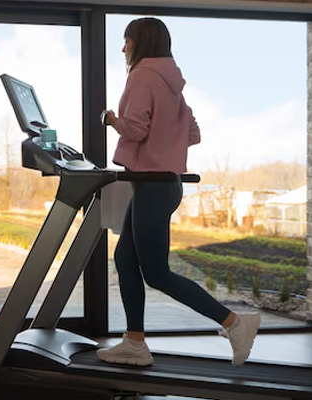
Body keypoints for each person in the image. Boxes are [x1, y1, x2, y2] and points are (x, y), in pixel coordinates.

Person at [97, 17, 260, 367]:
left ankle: (235, 323)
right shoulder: (172, 83)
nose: (123, 47)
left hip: (154, 186)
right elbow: (193, 133)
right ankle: (134, 342)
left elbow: (136, 129)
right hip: (161, 185)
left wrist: (111, 120)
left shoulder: (141, 75)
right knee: (124, 259)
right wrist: (167, 136)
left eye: (127, 40)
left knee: (156, 273)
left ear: (140, 41)